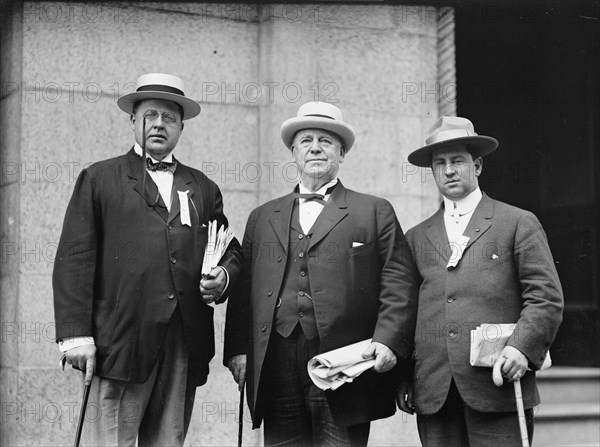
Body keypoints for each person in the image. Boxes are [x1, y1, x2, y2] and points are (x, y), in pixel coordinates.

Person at [53, 73, 242, 446]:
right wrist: (75, 336)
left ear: (181, 127)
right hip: (119, 342)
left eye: (169, 118)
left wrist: (223, 275)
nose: (159, 124)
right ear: (133, 120)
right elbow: (75, 258)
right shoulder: (99, 179)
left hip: (183, 342)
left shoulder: (202, 187)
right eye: (150, 115)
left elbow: (229, 247)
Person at [224, 101, 418, 446]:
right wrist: (239, 351)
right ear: (294, 153)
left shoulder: (373, 211)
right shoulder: (262, 216)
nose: (315, 148)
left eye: (326, 141)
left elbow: (398, 282)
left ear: (341, 153)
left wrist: (387, 340)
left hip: (345, 361)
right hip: (276, 359)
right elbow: (244, 292)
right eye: (306, 141)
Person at [397, 116, 564, 446]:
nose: (449, 170)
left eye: (458, 161)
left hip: (498, 383)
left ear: (477, 165)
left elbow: (545, 297)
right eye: (440, 163)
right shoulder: (416, 237)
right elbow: (404, 311)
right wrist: (405, 377)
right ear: (432, 172)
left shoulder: (516, 222)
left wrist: (521, 348)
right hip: (434, 390)